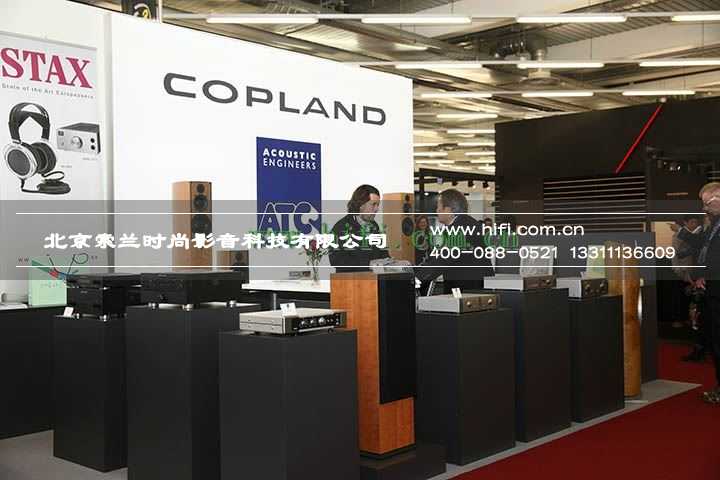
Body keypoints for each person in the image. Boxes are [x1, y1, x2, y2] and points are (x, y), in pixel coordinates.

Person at [681, 182, 720, 404]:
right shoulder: (714, 224)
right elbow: (706, 249)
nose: (704, 208)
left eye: (707, 203)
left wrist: (699, 273)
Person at [415, 189, 494, 292]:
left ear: (448, 210)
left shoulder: (456, 230)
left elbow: (441, 260)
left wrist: (415, 278)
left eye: (438, 207)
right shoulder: (470, 224)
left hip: (466, 290)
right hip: (479, 288)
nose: (436, 211)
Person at [671, 215, 708, 362]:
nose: (697, 224)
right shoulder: (694, 235)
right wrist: (685, 274)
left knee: (699, 312)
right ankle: (699, 348)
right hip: (691, 276)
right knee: (696, 312)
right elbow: (679, 255)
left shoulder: (704, 234)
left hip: (700, 278)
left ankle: (701, 348)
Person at [329, 184, 389, 272]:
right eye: (373, 204)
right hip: (351, 279)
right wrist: (368, 264)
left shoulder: (374, 226)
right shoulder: (341, 227)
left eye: (378, 205)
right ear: (361, 204)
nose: (377, 209)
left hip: (374, 278)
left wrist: (391, 263)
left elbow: (383, 253)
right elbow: (336, 261)